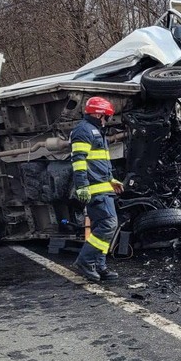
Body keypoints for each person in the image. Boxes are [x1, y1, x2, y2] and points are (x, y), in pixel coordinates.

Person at [70, 97, 124, 282]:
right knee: (109, 224)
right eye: (106, 116)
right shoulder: (83, 131)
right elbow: (79, 161)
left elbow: (98, 162)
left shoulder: (95, 131)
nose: (107, 120)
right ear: (98, 113)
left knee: (101, 227)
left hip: (103, 186)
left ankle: (99, 266)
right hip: (94, 189)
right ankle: (85, 261)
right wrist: (82, 186)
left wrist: (111, 179)